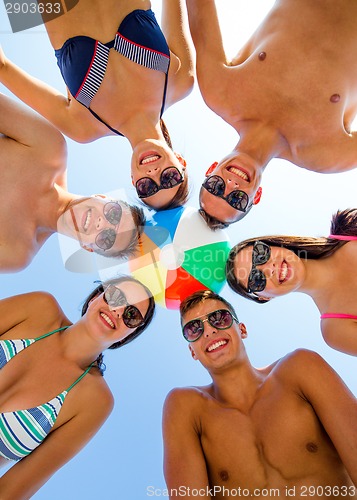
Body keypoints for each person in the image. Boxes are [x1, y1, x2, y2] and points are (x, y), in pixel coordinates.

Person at [0, 0, 195, 210]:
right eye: (169, 178)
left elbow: (4, 68)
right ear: (180, 162)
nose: (154, 174)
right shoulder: (181, 80)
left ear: (133, 179)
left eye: (146, 187)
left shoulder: (83, 127)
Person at [163, 290, 357, 499]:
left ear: (242, 329)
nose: (209, 331)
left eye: (219, 318)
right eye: (194, 329)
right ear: (192, 351)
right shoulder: (186, 408)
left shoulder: (300, 368)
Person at [184, 0, 357, 229]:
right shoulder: (324, 155)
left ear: (210, 170)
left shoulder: (220, 93)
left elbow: (199, 9)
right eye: (237, 199)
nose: (231, 184)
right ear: (256, 196)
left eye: (216, 187)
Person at [0, 275, 155, 498]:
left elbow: (15, 489)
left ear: (127, 336)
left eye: (132, 315)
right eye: (115, 296)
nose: (119, 311)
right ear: (95, 297)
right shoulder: (39, 309)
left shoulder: (95, 401)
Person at [0, 93, 145, 272]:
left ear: (88, 247)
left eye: (107, 239)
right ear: (102, 197)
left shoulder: (17, 252)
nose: (102, 223)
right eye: (114, 214)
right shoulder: (49, 149)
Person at [225, 208, 357, 356]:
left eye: (260, 254)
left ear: (273, 244)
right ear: (265, 297)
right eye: (256, 279)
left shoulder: (347, 227)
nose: (269, 268)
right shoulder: (335, 330)